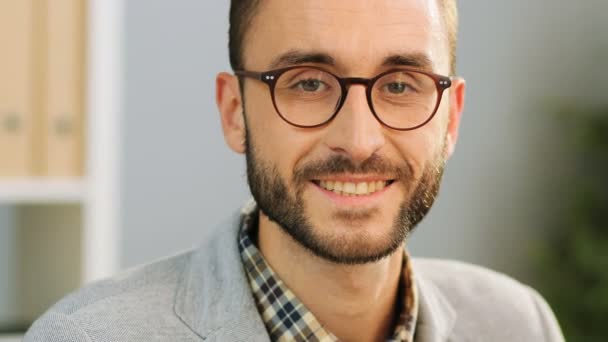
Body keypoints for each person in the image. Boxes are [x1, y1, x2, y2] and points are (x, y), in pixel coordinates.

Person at [24, 1, 565, 341]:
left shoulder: (517, 323)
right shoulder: (87, 336)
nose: (358, 141)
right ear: (235, 111)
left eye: (400, 84)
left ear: (451, 118)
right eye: (308, 82)